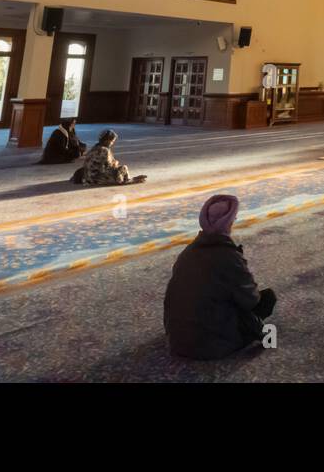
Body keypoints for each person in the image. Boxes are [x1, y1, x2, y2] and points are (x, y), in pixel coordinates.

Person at [163, 194, 278, 360]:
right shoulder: (228, 256)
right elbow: (251, 299)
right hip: (210, 346)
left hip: (177, 341)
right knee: (267, 298)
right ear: (229, 223)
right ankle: (261, 337)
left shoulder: (187, 252)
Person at [71, 129, 146, 185]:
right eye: (112, 141)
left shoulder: (94, 147)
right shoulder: (105, 150)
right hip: (96, 178)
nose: (112, 143)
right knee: (123, 168)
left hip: (87, 176)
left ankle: (127, 178)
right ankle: (128, 180)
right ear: (107, 140)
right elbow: (109, 168)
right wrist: (116, 164)